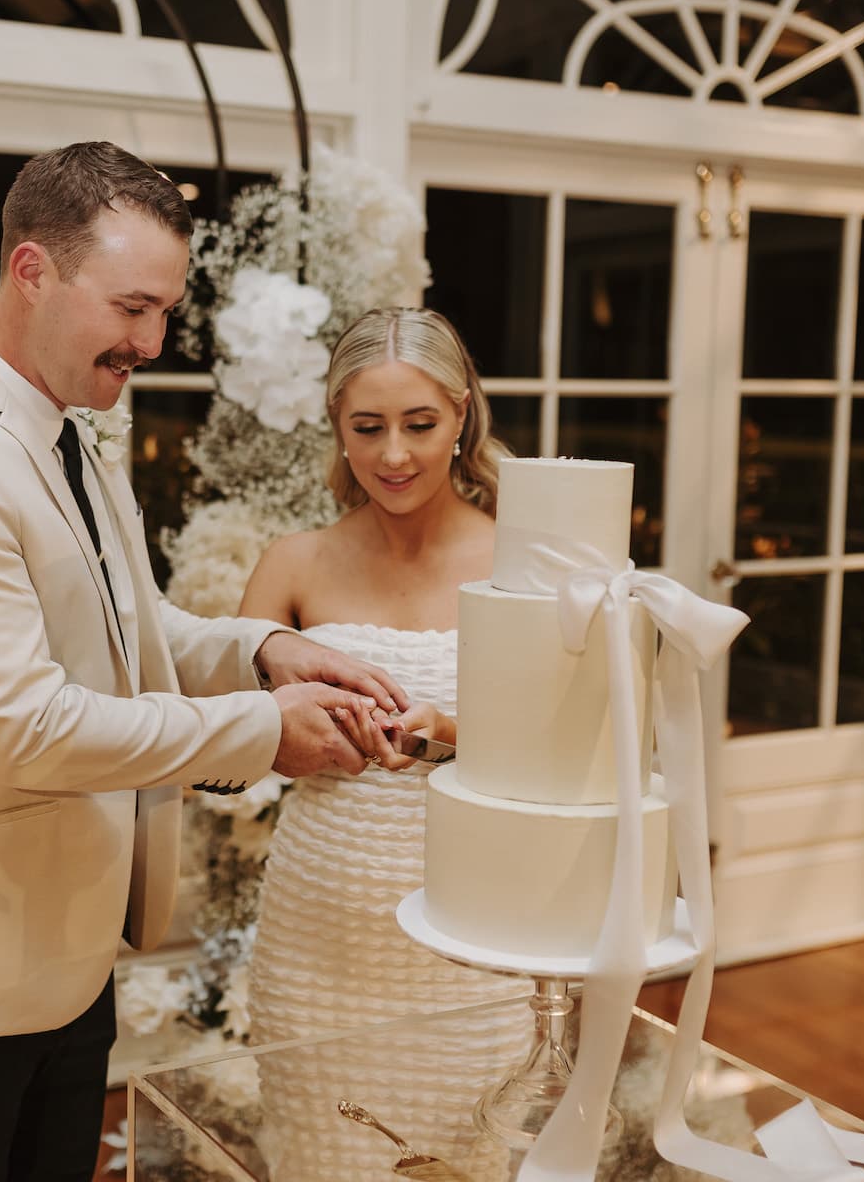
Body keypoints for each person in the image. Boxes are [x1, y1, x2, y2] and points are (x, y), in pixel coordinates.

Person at [0, 142, 408, 1182]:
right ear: (32, 270)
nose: (152, 341)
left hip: (61, 961)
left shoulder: (65, 430)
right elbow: (27, 726)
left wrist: (264, 649)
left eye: (166, 311)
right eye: (132, 308)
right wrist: (267, 732)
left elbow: (130, 631)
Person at [239, 306, 533, 1181]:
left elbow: (570, 750)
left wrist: (449, 734)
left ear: (462, 415)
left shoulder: (523, 562)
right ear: (336, 424)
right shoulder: (292, 564)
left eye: (420, 424)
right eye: (368, 428)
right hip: (317, 937)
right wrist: (287, 734)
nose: (394, 455)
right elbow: (215, 747)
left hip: (471, 940)